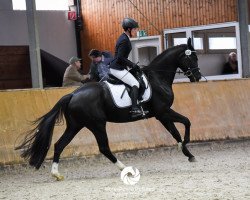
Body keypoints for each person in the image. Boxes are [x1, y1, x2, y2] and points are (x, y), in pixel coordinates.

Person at [109, 17, 146, 118]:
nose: (136, 31)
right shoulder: (124, 40)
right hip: (117, 68)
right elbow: (120, 57)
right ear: (129, 29)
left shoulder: (124, 38)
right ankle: (134, 109)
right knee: (135, 83)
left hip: (120, 66)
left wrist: (131, 65)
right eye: (135, 29)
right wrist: (132, 65)